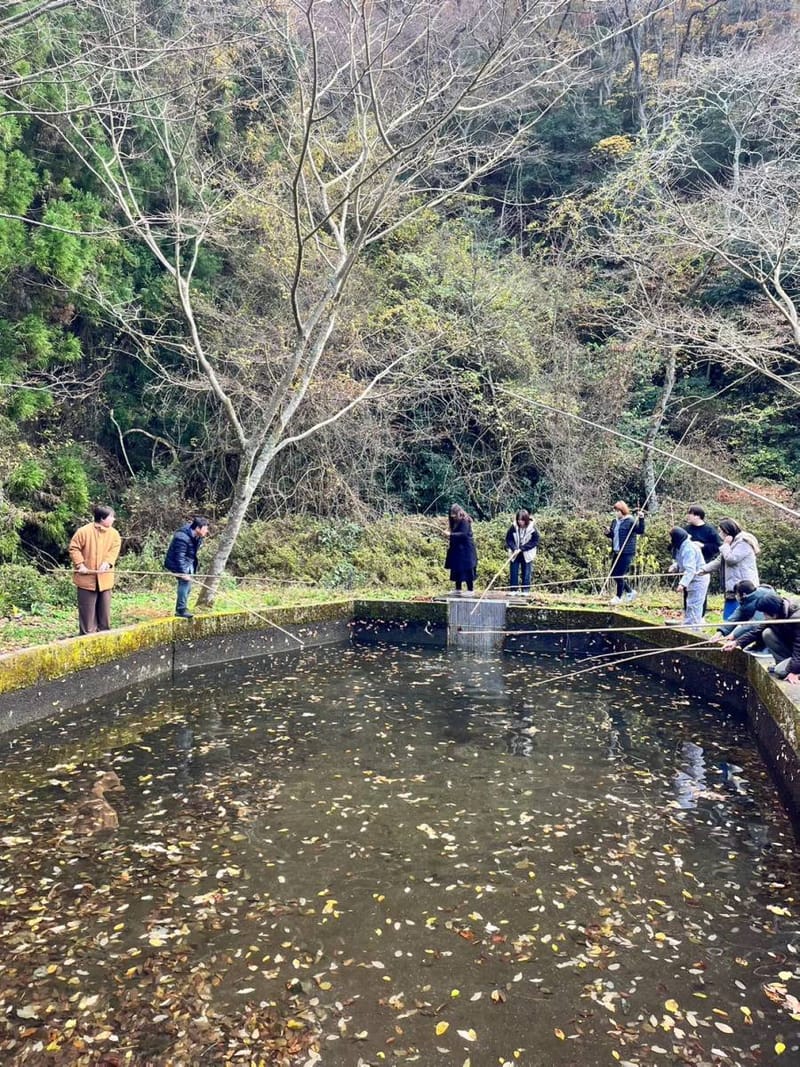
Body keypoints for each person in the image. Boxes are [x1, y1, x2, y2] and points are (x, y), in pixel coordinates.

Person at [722, 591, 800, 683]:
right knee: (767, 633)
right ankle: (784, 664)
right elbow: (757, 631)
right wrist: (737, 643)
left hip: (798, 651)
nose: (764, 616)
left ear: (773, 614)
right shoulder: (779, 612)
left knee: (780, 672)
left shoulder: (796, 618)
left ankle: (791, 670)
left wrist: (794, 671)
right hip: (793, 649)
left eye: (764, 614)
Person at [68, 505, 122, 635]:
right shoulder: (83, 531)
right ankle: (87, 636)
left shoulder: (114, 534)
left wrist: (108, 563)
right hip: (86, 579)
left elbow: (114, 551)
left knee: (104, 613)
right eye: (111, 517)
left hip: (105, 579)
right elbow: (74, 548)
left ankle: (104, 635)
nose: (113, 519)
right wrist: (80, 565)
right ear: (102, 518)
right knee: (87, 613)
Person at [698, 518, 760, 621]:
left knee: (738, 617)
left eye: (721, 531)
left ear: (727, 531)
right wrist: (703, 570)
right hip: (732, 587)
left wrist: (725, 545)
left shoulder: (743, 542)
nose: (720, 534)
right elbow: (720, 560)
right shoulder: (732, 543)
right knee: (729, 617)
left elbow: (731, 559)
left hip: (744, 587)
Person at [164, 516, 210, 619]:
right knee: (184, 583)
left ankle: (183, 607)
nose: (207, 531)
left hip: (189, 561)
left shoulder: (198, 536)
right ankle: (181, 610)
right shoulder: (181, 537)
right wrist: (183, 573)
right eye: (205, 528)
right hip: (178, 563)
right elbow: (179, 557)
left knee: (188, 586)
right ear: (198, 528)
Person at [667, 526, 709, 629]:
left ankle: (694, 630)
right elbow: (682, 561)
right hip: (691, 579)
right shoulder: (682, 546)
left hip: (698, 579)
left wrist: (682, 584)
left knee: (694, 605)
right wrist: (675, 567)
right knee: (689, 604)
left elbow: (690, 569)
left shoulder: (688, 548)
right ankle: (688, 627)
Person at [605, 501, 645, 605]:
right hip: (617, 551)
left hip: (627, 552)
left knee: (619, 574)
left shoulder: (630, 521)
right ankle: (630, 592)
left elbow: (640, 531)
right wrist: (608, 533)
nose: (616, 513)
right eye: (615, 511)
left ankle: (618, 597)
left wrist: (641, 518)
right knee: (614, 574)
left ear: (622, 511)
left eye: (617, 511)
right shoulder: (614, 521)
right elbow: (613, 536)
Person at [684, 504, 722, 616]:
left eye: (690, 514)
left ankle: (700, 616)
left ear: (697, 516)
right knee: (687, 588)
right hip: (689, 563)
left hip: (704, 563)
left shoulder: (710, 530)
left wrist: (703, 546)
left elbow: (718, 547)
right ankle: (688, 614)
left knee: (700, 591)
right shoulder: (686, 529)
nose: (688, 516)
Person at [445, 504, 478, 596]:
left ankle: (470, 590)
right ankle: (458, 588)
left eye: (455, 514)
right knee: (456, 568)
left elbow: (463, 534)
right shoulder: (454, 522)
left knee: (467, 569)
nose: (453, 517)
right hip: (457, 549)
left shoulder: (465, 521)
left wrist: (450, 535)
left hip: (466, 550)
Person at [505, 509, 539, 594]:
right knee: (513, 571)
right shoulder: (514, 526)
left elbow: (535, 541)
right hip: (515, 552)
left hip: (527, 553)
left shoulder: (532, 528)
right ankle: (513, 590)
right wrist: (514, 548)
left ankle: (525, 590)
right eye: (519, 520)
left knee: (526, 571)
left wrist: (522, 548)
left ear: (526, 520)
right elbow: (509, 539)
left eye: (522, 520)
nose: (520, 522)